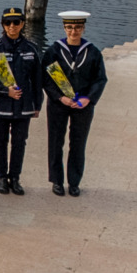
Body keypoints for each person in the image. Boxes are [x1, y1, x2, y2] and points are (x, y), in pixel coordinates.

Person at [41, 11, 107, 197]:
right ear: (64, 28)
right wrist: (59, 97)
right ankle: (57, 181)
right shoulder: (54, 50)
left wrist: (89, 98)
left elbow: (100, 79)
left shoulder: (92, 52)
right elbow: (46, 78)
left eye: (78, 27)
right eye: (70, 27)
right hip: (59, 103)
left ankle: (74, 181)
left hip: (82, 105)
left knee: (78, 143)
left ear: (83, 28)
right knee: (55, 142)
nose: (73, 31)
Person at [0, 8, 43, 196]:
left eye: (16, 22)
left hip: (24, 105)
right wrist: (4, 91)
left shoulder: (31, 49)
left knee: (19, 142)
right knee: (0, 141)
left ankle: (15, 177)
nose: (12, 26)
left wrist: (37, 105)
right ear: (3, 25)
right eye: (8, 23)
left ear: (23, 24)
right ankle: (1, 177)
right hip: (2, 104)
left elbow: (37, 79)